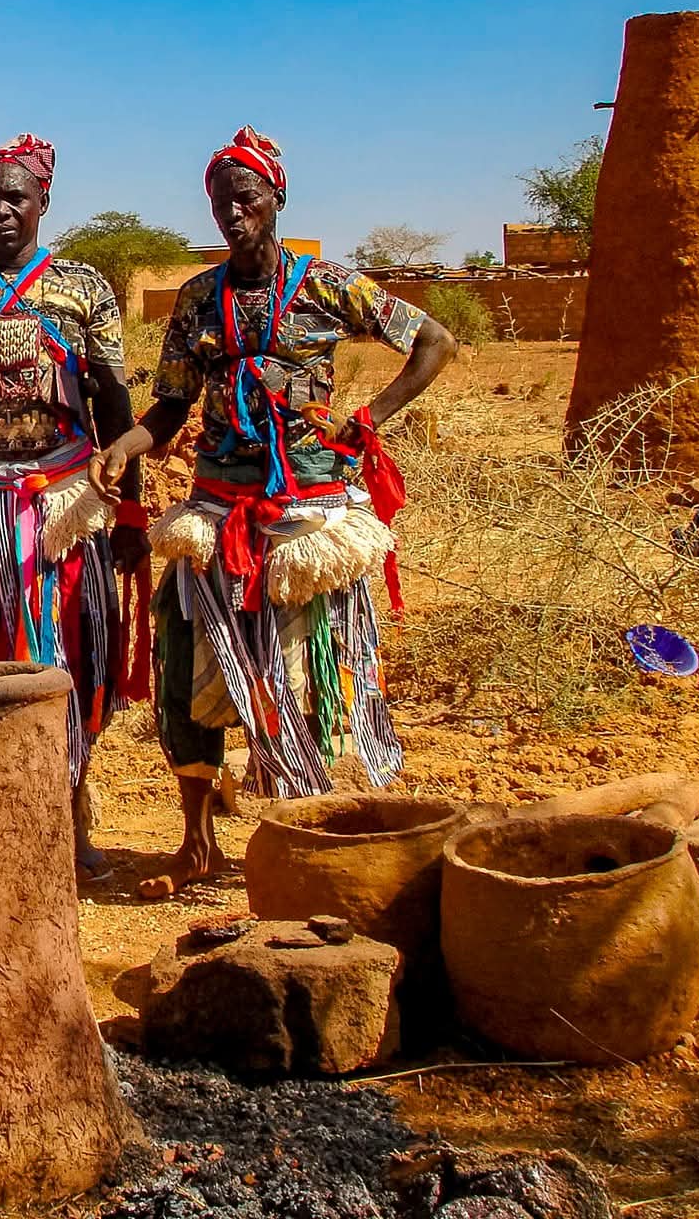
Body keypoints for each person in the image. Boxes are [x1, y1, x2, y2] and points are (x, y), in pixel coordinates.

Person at [90, 128, 456, 895]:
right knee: (184, 658)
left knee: (306, 677)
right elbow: (171, 406)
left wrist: (372, 416)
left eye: (247, 198)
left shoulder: (328, 286)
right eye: (221, 202)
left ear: (277, 197)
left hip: (304, 515)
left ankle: (301, 840)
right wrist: (124, 446)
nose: (234, 213)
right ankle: (197, 842)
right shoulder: (199, 298)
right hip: (216, 507)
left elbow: (434, 341)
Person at [0, 135, 145, 880]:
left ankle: (69, 811)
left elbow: (115, 405)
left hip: (65, 507)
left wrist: (130, 517)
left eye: (17, 195)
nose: (2, 208)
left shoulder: (83, 289)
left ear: (44, 201)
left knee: (74, 655)